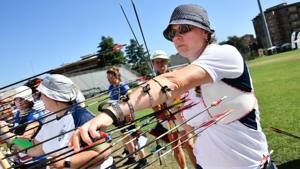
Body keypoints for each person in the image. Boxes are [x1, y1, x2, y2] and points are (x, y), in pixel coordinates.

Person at [70, 4, 274, 169]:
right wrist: (167, 115)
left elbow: (173, 81)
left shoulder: (224, 53)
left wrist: (113, 112)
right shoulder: (189, 80)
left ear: (205, 32)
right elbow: (185, 124)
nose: (176, 37)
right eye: (171, 33)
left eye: (184, 28)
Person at [24, 74, 115, 169]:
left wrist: (66, 163)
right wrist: (13, 140)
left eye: (41, 94)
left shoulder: (80, 115)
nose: (40, 98)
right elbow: (34, 147)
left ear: (53, 96)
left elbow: (103, 152)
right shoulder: (50, 118)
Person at [149, 50, 196, 168]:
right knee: (175, 145)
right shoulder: (152, 83)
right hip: (166, 118)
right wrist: (158, 111)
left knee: (189, 144)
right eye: (157, 62)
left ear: (167, 62)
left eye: (163, 61)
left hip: (181, 114)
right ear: (153, 64)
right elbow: (153, 104)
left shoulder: (175, 75)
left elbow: (185, 92)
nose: (161, 64)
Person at [105, 67, 148, 168]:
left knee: (134, 137)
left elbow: (130, 96)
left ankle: (143, 159)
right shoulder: (111, 87)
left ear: (115, 76)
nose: (107, 78)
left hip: (127, 115)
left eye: (109, 76)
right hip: (118, 115)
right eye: (107, 76)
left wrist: (128, 113)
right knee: (125, 137)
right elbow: (111, 100)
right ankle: (131, 157)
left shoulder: (122, 85)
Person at [0, 86, 44, 168]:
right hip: (21, 160)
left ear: (29, 99)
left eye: (22, 98)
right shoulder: (18, 114)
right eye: (17, 99)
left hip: (36, 161)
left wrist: (6, 132)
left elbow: (25, 143)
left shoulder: (35, 116)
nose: (19, 101)